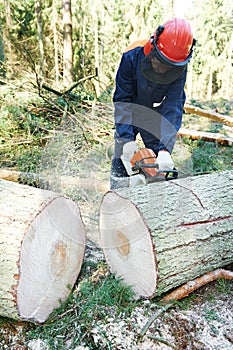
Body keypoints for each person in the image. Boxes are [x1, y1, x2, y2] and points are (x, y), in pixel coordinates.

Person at [110, 17, 196, 189]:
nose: (163, 69)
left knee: (158, 167)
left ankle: (156, 200)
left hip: (154, 112)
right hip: (131, 108)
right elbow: (122, 100)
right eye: (161, 62)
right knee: (121, 154)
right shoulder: (131, 56)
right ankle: (117, 193)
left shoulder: (180, 66)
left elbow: (174, 105)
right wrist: (126, 139)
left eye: (169, 67)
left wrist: (165, 149)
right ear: (152, 48)